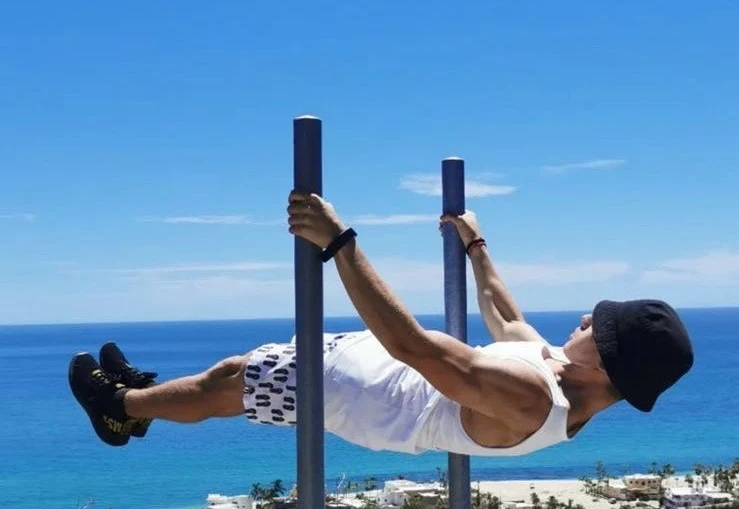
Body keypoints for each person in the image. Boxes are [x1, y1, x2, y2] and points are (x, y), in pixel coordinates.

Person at [68, 192, 694, 454]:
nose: (585, 318)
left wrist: (338, 242)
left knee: (225, 384)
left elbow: (414, 347)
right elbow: (507, 316)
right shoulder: (556, 373)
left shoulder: (534, 399)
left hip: (353, 393)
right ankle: (145, 396)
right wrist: (477, 248)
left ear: (605, 360)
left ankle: (122, 405)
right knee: (226, 377)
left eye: (597, 325)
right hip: (363, 367)